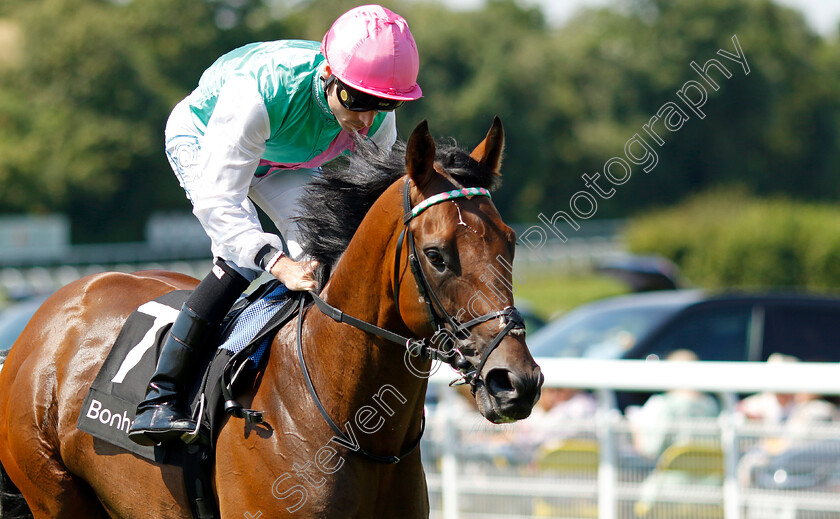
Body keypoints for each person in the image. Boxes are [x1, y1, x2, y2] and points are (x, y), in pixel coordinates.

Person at [128, 4, 422, 446]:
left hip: (280, 161)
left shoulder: (375, 105)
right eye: (358, 101)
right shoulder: (257, 94)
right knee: (240, 258)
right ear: (328, 74)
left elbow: (369, 205)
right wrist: (276, 261)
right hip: (207, 138)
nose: (367, 118)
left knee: (322, 251)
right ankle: (160, 396)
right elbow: (219, 204)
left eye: (384, 105)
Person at [627, 349, 720, 459]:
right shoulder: (711, 404)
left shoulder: (665, 404)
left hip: (672, 474)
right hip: (709, 474)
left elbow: (649, 450)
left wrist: (636, 428)